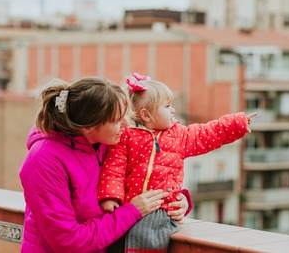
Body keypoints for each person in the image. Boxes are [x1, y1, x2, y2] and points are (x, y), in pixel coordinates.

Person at [19, 77, 192, 253]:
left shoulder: (108, 142)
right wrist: (132, 212)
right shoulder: (43, 161)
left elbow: (142, 177)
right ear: (89, 127)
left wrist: (175, 202)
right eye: (117, 120)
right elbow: (68, 242)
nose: (126, 124)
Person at [98, 73, 257, 253]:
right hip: (130, 206)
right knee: (118, 241)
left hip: (161, 209)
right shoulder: (125, 136)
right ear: (146, 115)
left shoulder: (178, 136)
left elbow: (207, 133)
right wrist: (110, 197)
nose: (173, 110)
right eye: (167, 106)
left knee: (148, 237)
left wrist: (237, 124)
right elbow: (114, 168)